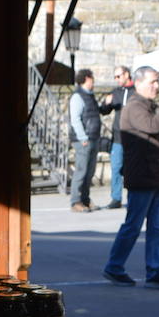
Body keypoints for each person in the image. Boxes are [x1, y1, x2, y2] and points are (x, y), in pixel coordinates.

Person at [102, 65, 159, 290]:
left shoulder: (146, 105)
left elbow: (150, 136)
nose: (157, 86)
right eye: (152, 82)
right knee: (133, 225)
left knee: (157, 226)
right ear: (138, 83)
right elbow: (153, 125)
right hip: (142, 175)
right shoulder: (134, 107)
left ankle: (154, 271)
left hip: (154, 174)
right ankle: (115, 267)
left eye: (158, 81)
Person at [67, 68, 102, 212]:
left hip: (92, 137)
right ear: (86, 79)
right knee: (81, 171)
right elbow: (75, 119)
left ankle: (86, 199)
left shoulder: (90, 95)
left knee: (90, 171)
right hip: (83, 139)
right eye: (92, 78)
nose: (93, 81)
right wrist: (83, 138)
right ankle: (76, 201)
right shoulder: (77, 97)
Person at [102, 65, 134, 209]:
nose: (116, 79)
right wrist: (106, 103)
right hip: (118, 138)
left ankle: (134, 197)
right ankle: (116, 198)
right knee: (116, 167)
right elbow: (104, 111)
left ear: (126, 74)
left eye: (118, 76)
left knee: (132, 169)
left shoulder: (137, 91)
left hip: (134, 137)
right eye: (115, 77)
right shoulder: (115, 93)